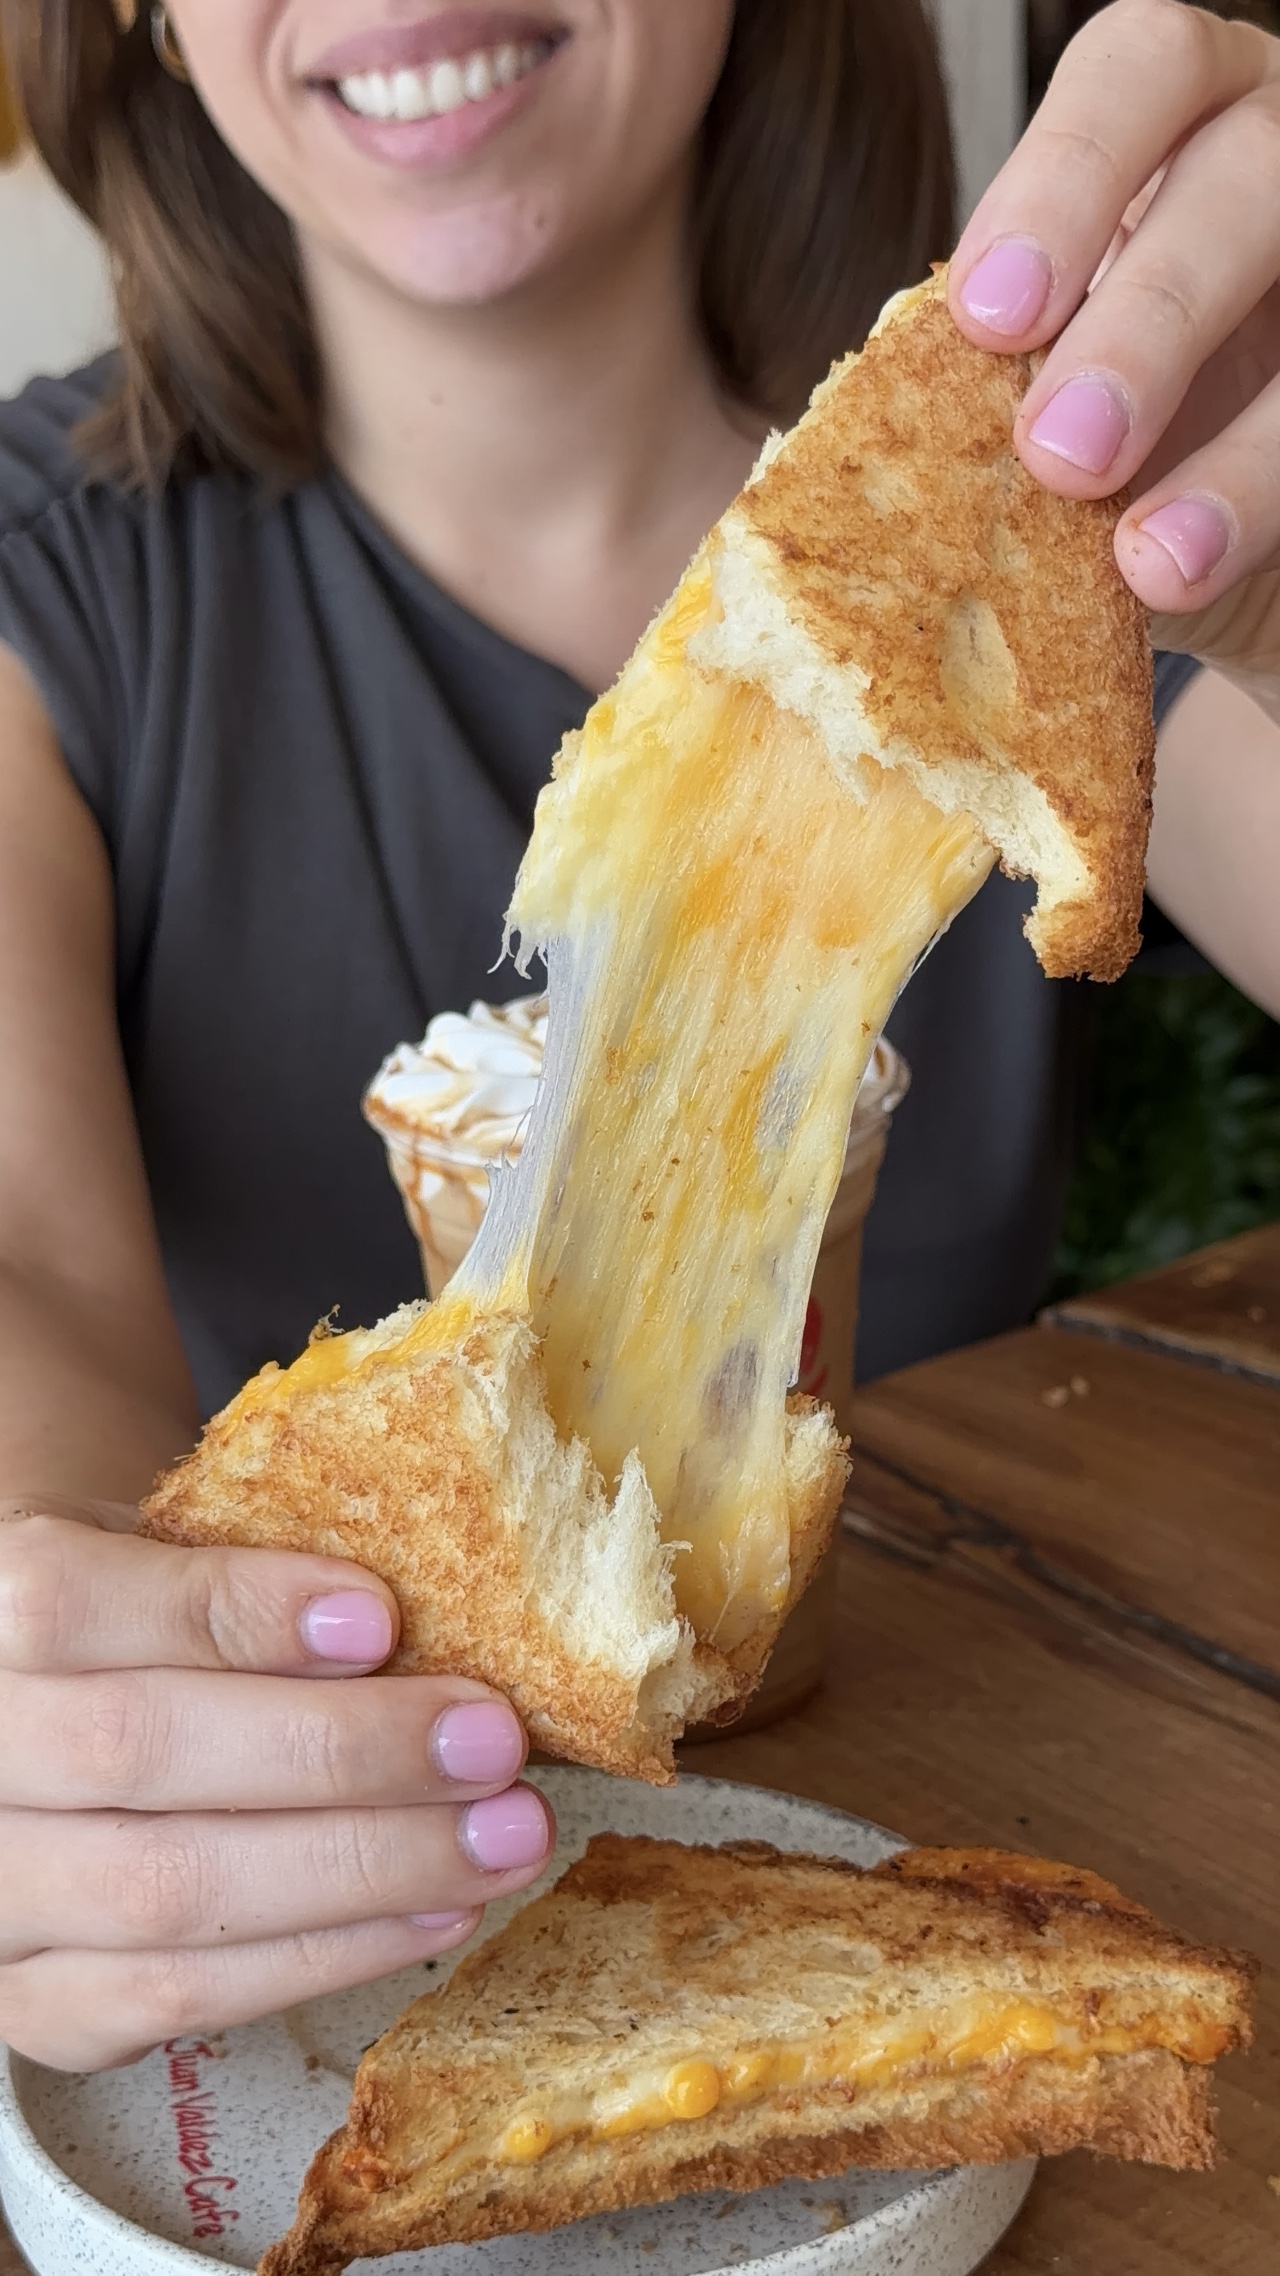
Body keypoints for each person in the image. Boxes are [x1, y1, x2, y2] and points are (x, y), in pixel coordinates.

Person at [0, 0, 1276, 2074]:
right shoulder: (47, 584)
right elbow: (23, 1268)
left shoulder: (1058, 520)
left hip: (1013, 1796)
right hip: (317, 1959)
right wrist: (61, 1667)